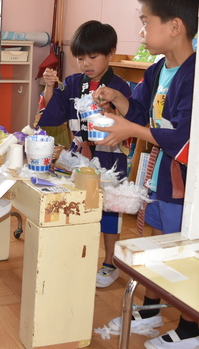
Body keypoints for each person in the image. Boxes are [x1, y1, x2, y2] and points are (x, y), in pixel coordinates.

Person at [93, 0, 199, 349]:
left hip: (192, 181)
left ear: (175, 26)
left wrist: (130, 128)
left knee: (187, 253)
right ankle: (152, 308)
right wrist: (119, 99)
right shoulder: (157, 69)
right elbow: (141, 112)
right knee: (155, 240)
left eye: (145, 21)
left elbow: (187, 136)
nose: (141, 30)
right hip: (161, 178)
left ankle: (189, 330)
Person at [38, 20, 132, 289]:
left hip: (110, 156)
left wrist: (111, 107)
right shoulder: (71, 83)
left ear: (111, 54)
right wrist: (49, 87)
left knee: (110, 209)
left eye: (93, 57)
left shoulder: (120, 86)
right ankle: (78, 256)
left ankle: (110, 261)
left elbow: (128, 119)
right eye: (80, 58)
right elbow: (51, 117)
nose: (85, 64)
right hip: (78, 156)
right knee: (77, 204)